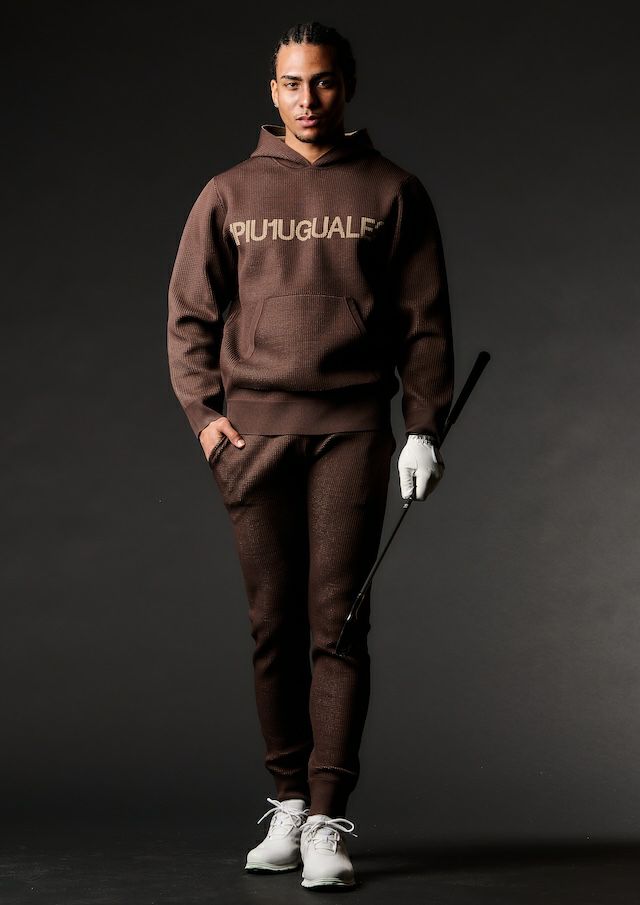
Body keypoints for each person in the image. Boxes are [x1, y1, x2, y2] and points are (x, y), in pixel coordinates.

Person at [167, 20, 454, 890]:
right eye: (292, 83)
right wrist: (207, 419)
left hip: (353, 432)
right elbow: (189, 316)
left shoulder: (393, 190)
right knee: (273, 625)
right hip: (253, 437)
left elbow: (425, 323)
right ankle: (287, 799)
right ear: (272, 90)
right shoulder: (227, 192)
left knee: (339, 623)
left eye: (323, 81)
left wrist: (423, 427)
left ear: (347, 85)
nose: (307, 99)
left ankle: (327, 815)